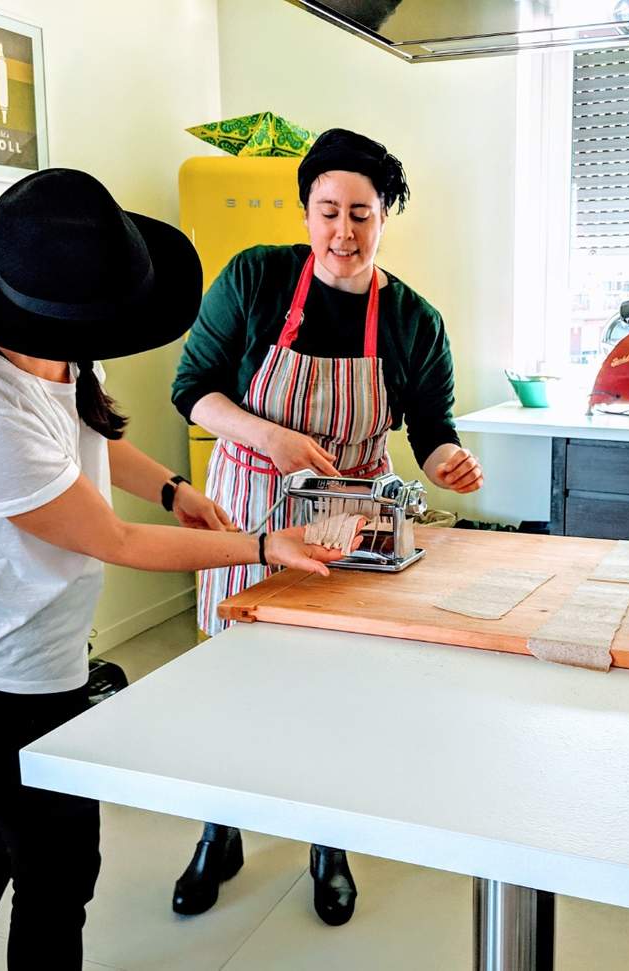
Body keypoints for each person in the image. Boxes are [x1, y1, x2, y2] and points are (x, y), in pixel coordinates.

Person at [0, 169, 349, 971]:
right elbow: (114, 539)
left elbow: (91, 432)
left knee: (10, 815)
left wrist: (175, 488)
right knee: (58, 870)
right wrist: (262, 545)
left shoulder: (53, 328)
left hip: (43, 631)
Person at [169, 128, 484, 926]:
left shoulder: (412, 319)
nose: (342, 232)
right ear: (306, 211)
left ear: (385, 216)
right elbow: (192, 389)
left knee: (337, 688)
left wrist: (447, 460)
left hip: (352, 516)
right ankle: (218, 831)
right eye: (327, 211)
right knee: (232, 679)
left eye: (360, 214)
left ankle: (328, 843)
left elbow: (430, 427)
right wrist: (269, 436)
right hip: (249, 501)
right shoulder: (255, 278)